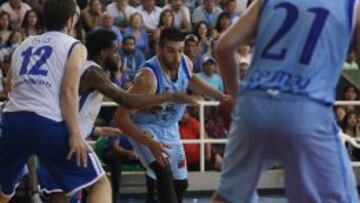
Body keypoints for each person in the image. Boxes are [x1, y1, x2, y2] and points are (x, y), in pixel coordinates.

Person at [211, 0, 360, 203]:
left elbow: (223, 47)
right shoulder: (352, 5)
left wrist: (237, 97)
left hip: (253, 103)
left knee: (228, 197)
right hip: (306, 106)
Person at [37, 28, 196, 202]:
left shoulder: (86, 70)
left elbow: (75, 107)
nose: (118, 56)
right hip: (64, 139)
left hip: (61, 137)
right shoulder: (94, 72)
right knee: (100, 184)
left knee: (63, 194)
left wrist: (95, 130)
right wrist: (169, 96)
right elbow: (126, 100)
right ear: (105, 53)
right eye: (115, 51)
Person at [0, 0, 103, 202]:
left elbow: (9, 83)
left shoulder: (25, 43)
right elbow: (68, 90)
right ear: (72, 20)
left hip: (12, 121)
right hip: (45, 122)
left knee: (3, 192)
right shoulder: (75, 46)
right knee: (99, 183)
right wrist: (75, 133)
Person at [114, 27, 229, 203]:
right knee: (163, 173)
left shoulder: (185, 62)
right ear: (158, 49)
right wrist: (150, 142)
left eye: (180, 50)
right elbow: (120, 118)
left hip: (170, 127)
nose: (176, 57)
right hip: (146, 127)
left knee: (181, 184)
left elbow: (191, 78)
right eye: (170, 51)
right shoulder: (148, 78)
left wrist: (221, 97)